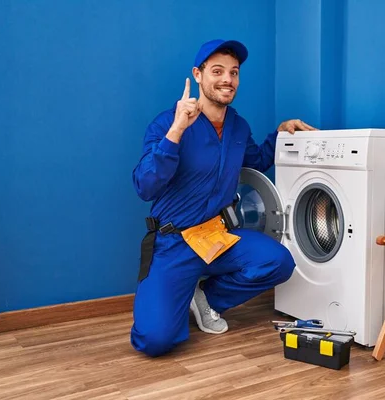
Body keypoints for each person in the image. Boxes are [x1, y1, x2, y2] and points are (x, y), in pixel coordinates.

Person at [130, 39, 317, 357]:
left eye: (234, 72)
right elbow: (144, 186)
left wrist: (281, 133)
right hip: (174, 243)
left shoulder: (238, 127)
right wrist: (176, 131)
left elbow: (255, 161)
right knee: (154, 341)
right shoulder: (166, 123)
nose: (227, 79)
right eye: (217, 71)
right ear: (198, 75)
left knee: (278, 262)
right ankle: (179, 292)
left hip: (216, 236)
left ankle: (207, 298)